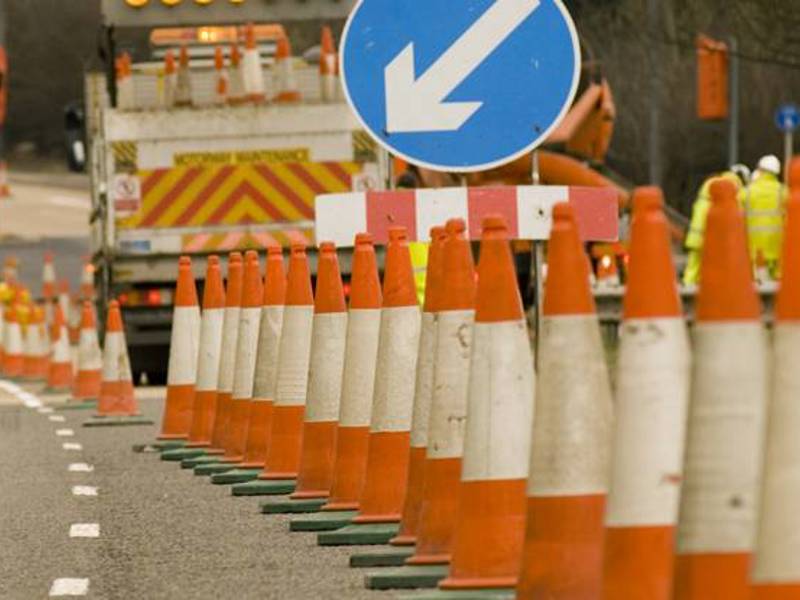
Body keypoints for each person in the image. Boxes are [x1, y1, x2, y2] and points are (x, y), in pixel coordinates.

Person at [683, 165, 750, 285]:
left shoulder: (710, 182)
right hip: (713, 229)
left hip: (697, 230)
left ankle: (687, 287)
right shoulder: (732, 186)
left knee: (694, 262)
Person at [740, 154, 788, 279]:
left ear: (760, 169)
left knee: (759, 282)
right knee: (777, 284)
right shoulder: (783, 191)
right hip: (777, 246)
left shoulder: (747, 191)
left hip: (755, 248)